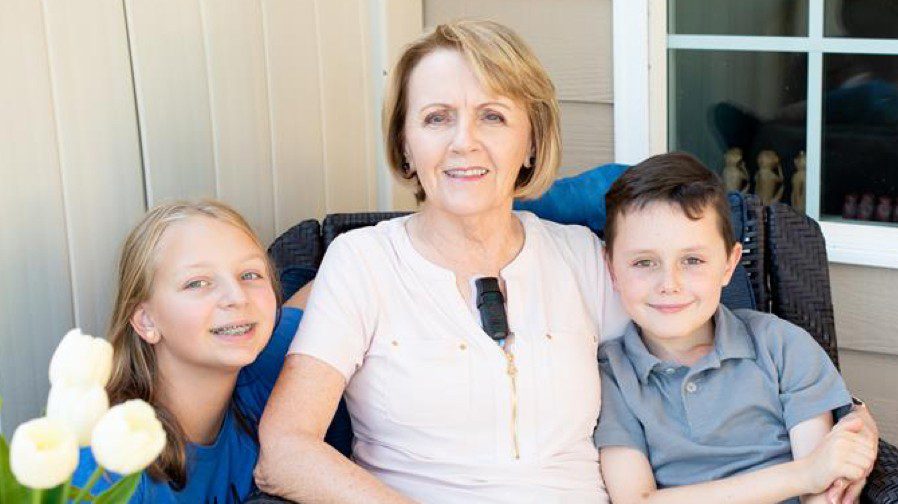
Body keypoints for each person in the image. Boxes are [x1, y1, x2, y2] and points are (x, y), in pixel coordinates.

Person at [255, 19, 629, 503]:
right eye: (436, 118)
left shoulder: (581, 256)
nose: (463, 142)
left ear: (532, 141)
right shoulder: (363, 261)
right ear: (406, 145)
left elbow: (675, 385)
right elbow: (284, 451)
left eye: (492, 116)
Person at [594, 153, 877, 503]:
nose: (669, 283)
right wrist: (803, 474)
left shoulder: (781, 346)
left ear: (729, 264)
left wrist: (816, 475)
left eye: (693, 260)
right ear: (611, 269)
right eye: (644, 262)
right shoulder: (612, 374)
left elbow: (821, 493)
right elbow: (635, 500)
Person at [72, 200, 309, 502]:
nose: (237, 297)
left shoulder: (269, 373)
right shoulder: (108, 464)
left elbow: (331, 287)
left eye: (250, 275)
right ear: (146, 320)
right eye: (197, 283)